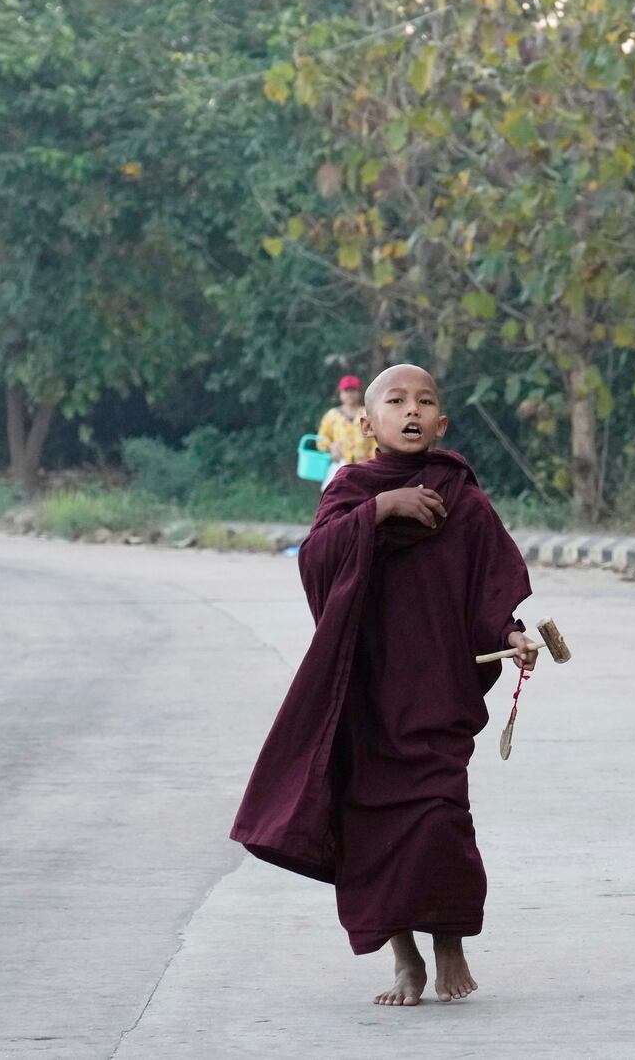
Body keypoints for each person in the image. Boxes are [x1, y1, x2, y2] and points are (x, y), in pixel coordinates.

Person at [232, 363, 536, 1006]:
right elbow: (316, 561)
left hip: (437, 687)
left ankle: (449, 946)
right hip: (367, 689)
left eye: (425, 401)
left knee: (440, 816)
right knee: (372, 828)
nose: (413, 410)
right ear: (367, 425)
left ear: (443, 423)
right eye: (396, 401)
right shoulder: (352, 490)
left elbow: (490, 583)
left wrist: (510, 637)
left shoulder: (462, 496)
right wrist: (380, 510)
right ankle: (405, 960)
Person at [317, 375, 376, 488]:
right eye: (346, 391)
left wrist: (372, 460)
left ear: (359, 392)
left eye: (352, 390)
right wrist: (331, 447)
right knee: (336, 498)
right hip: (339, 466)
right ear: (340, 393)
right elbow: (322, 439)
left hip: (365, 468)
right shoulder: (332, 415)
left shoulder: (367, 414)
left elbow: (376, 439)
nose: (349, 394)